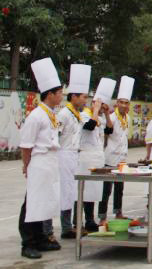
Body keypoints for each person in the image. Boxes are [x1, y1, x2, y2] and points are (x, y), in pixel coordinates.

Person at [18, 58, 64, 259]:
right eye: (59, 92)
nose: (61, 95)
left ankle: (41, 238)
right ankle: (27, 243)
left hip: (50, 162)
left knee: (45, 201)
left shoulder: (52, 114)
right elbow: (26, 145)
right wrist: (26, 165)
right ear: (50, 94)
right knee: (32, 202)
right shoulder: (36, 115)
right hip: (38, 161)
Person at [57, 64, 90, 240]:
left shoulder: (77, 114)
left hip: (73, 156)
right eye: (84, 97)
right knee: (62, 192)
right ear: (74, 96)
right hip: (63, 156)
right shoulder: (64, 114)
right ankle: (58, 228)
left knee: (70, 192)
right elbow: (56, 136)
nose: (86, 101)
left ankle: (67, 226)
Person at [78, 77, 116, 232]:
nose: (102, 108)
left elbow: (109, 130)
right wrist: (95, 108)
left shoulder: (100, 117)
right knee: (83, 191)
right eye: (100, 104)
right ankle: (77, 222)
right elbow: (89, 126)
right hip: (86, 158)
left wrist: (106, 113)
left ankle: (89, 220)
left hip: (97, 158)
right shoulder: (84, 115)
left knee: (94, 192)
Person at [99, 75, 134, 221]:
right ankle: (102, 216)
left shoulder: (128, 118)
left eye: (126, 103)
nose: (124, 105)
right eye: (121, 102)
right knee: (106, 189)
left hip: (122, 157)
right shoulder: (112, 118)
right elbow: (106, 135)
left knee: (120, 188)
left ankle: (118, 212)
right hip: (110, 157)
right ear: (117, 103)